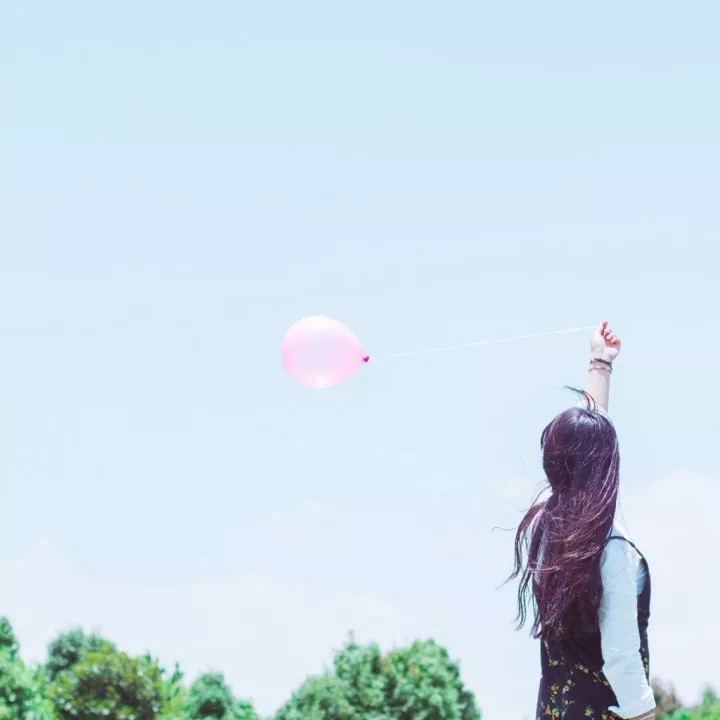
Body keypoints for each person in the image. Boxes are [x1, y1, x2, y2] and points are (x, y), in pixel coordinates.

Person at [507, 322, 656, 720]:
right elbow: (622, 655)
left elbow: (584, 445)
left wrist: (600, 363)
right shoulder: (613, 551)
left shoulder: (545, 525)